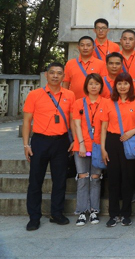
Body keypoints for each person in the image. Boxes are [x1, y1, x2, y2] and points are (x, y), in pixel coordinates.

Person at [23, 62, 76, 231]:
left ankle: (57, 213)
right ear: (46, 75)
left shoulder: (69, 95)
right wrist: (26, 144)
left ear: (63, 76)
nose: (55, 76)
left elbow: (73, 119)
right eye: (52, 72)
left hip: (61, 142)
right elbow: (27, 121)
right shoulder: (34, 95)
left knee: (59, 180)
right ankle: (34, 217)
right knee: (35, 180)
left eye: (59, 73)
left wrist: (74, 140)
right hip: (40, 141)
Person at [100, 72, 135, 227]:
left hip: (130, 141)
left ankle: (126, 214)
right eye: (119, 83)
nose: (122, 86)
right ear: (115, 85)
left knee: (128, 178)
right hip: (112, 141)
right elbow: (103, 127)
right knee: (113, 179)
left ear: (131, 85)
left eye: (126, 83)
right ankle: (113, 214)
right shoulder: (108, 102)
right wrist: (103, 148)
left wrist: (132, 132)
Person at [70, 73, 107, 225]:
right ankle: (81, 211)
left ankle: (94, 210)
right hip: (81, 146)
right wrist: (81, 143)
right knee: (83, 178)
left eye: (96, 84)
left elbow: (105, 126)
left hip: (98, 146)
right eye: (91, 83)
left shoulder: (106, 103)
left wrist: (103, 147)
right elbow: (77, 125)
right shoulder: (79, 103)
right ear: (86, 86)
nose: (93, 86)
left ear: (101, 86)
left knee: (96, 178)